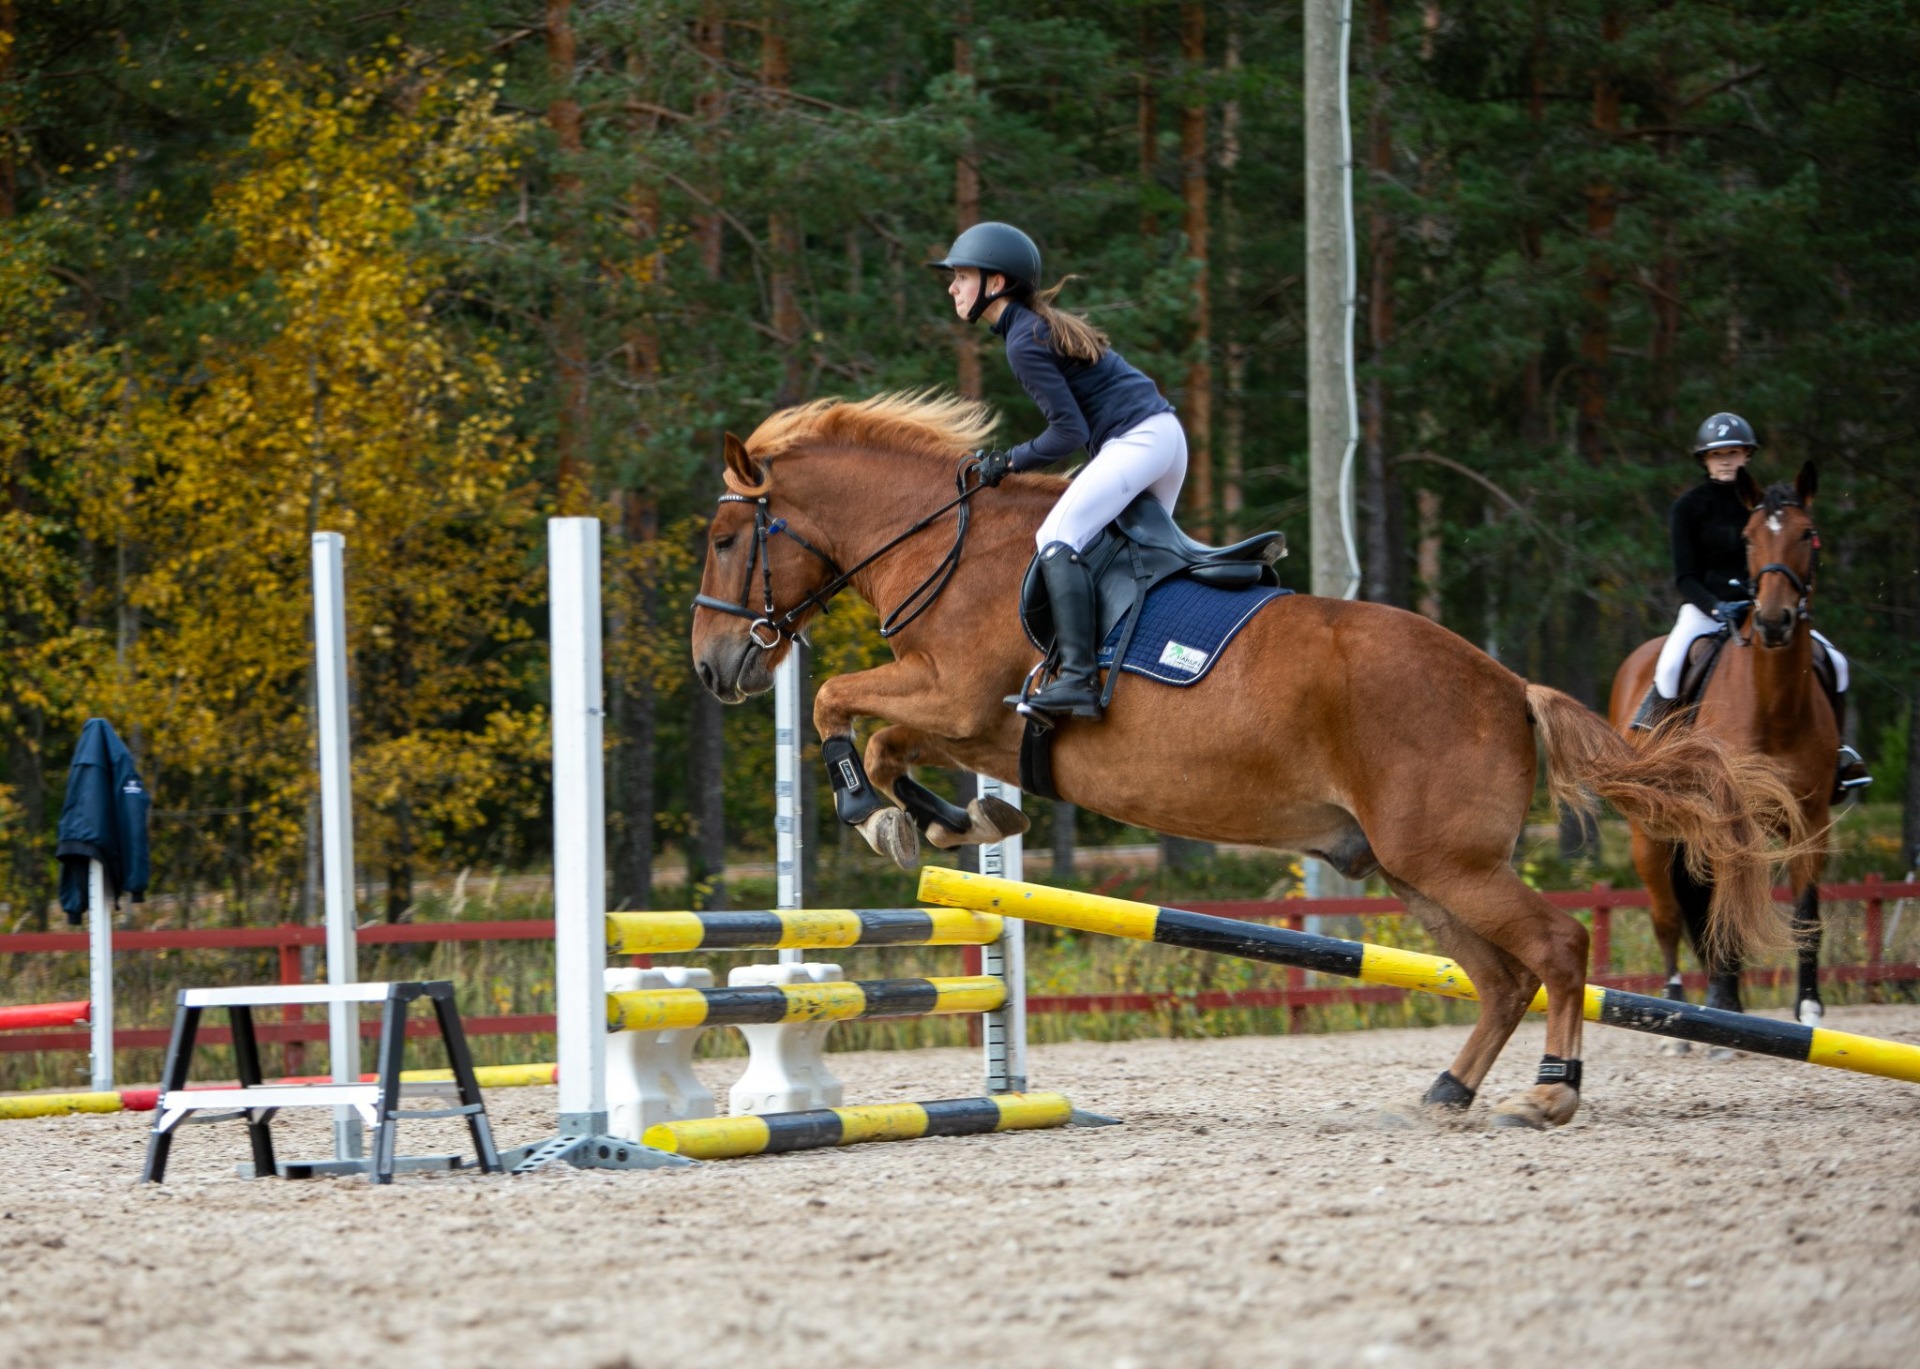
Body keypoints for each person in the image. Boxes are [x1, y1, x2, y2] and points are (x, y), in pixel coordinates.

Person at [929, 221, 1185, 720]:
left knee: (1058, 536)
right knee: (1119, 553)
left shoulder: (1022, 341)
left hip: (1140, 440)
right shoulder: (1031, 328)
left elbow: (1066, 434)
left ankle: (1077, 681)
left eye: (961, 275)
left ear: (995, 284)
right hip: (1163, 439)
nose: (952, 286)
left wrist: (1008, 461)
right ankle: (1137, 668)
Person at [1634, 412, 1869, 801]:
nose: (1726, 460)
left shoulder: (1765, 507)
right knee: (1671, 665)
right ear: (1705, 460)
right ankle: (1654, 758)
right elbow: (1684, 576)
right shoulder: (1688, 508)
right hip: (1704, 608)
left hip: (1763, 607)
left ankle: (1838, 757)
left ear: (1747, 456)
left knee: (1836, 662)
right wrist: (1715, 608)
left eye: (1735, 452)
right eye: (1718, 454)